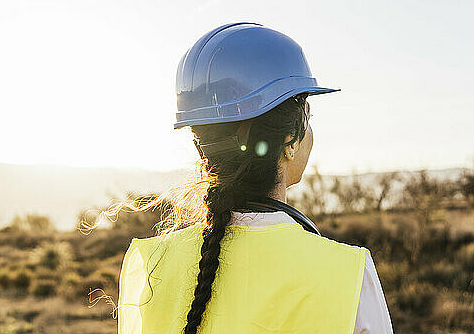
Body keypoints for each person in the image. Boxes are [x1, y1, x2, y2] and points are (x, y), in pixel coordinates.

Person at [116, 22, 394, 333]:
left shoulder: (147, 264)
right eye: (308, 115)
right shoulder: (349, 275)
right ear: (290, 140)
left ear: (200, 145)